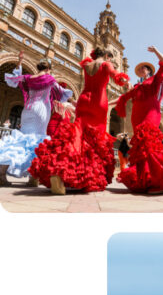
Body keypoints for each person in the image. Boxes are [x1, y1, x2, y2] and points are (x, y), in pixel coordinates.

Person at [30, 47, 129, 193]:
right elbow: (117, 77)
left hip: (83, 100)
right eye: (110, 58)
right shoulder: (106, 64)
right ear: (107, 56)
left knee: (77, 135)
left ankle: (58, 169)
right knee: (96, 140)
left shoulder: (87, 64)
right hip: (98, 102)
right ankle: (86, 175)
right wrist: (124, 79)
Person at [114, 45, 163, 194]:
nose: (140, 70)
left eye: (143, 68)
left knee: (149, 141)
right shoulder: (137, 86)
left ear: (149, 70)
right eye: (139, 69)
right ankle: (146, 180)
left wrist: (155, 52)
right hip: (137, 116)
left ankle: (159, 180)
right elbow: (122, 98)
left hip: (151, 113)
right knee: (141, 147)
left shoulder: (155, 79)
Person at [0, 51, 72, 184]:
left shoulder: (28, 78)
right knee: (37, 140)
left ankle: (2, 173)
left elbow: (15, 80)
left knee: (22, 138)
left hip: (27, 109)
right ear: (48, 69)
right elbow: (62, 93)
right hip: (41, 110)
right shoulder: (50, 79)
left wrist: (20, 62)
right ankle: (33, 177)